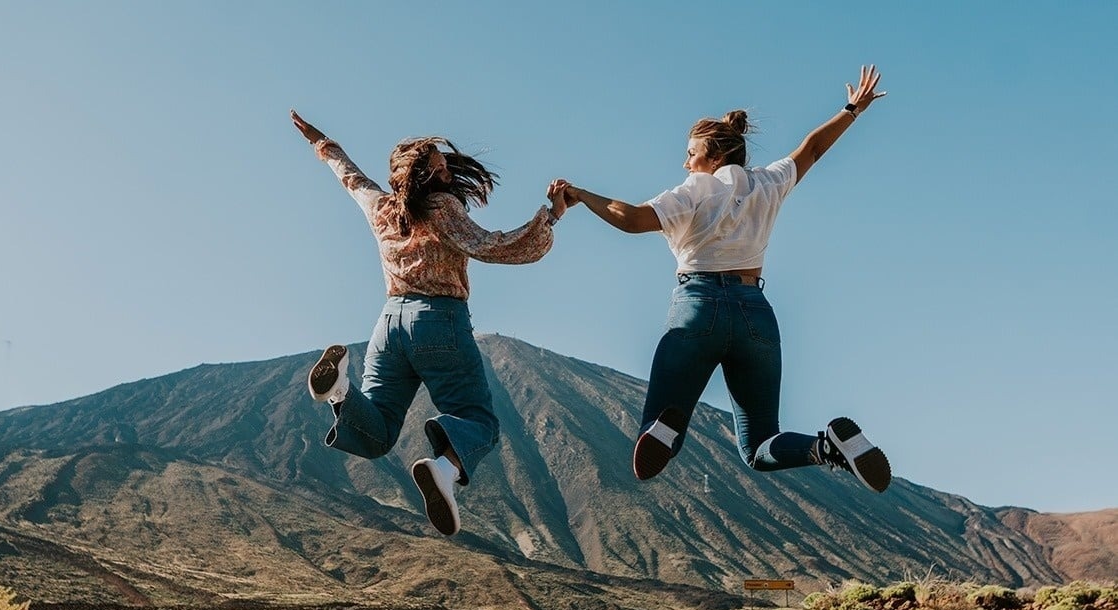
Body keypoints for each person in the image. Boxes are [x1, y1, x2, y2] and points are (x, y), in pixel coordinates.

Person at [557, 65, 892, 492]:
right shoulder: (768, 182)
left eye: (692, 153)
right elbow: (812, 149)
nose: (686, 161)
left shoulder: (694, 189)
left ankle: (667, 425)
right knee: (760, 444)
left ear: (714, 157)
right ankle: (826, 447)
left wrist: (582, 195)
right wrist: (851, 110)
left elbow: (633, 219)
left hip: (698, 307)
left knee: (655, 427)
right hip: (756, 315)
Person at [292, 110, 570, 535]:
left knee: (378, 433)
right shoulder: (443, 207)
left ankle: (341, 393)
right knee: (479, 420)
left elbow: (351, 178)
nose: (445, 171)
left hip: (388, 327)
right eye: (438, 168)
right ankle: (445, 468)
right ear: (422, 178)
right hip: (438, 319)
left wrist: (321, 143)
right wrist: (549, 218)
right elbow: (491, 246)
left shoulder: (382, 208)